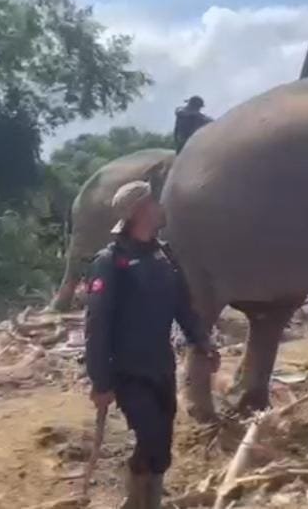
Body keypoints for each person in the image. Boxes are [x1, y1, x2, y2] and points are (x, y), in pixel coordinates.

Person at [84, 181, 219, 508]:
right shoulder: (111, 261)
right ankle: (135, 499)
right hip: (129, 372)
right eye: (154, 202)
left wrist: (202, 340)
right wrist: (101, 381)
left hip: (162, 366)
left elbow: (182, 305)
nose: (160, 207)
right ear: (140, 211)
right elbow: (97, 325)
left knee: (163, 445)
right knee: (151, 437)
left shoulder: (163, 254)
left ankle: (150, 499)